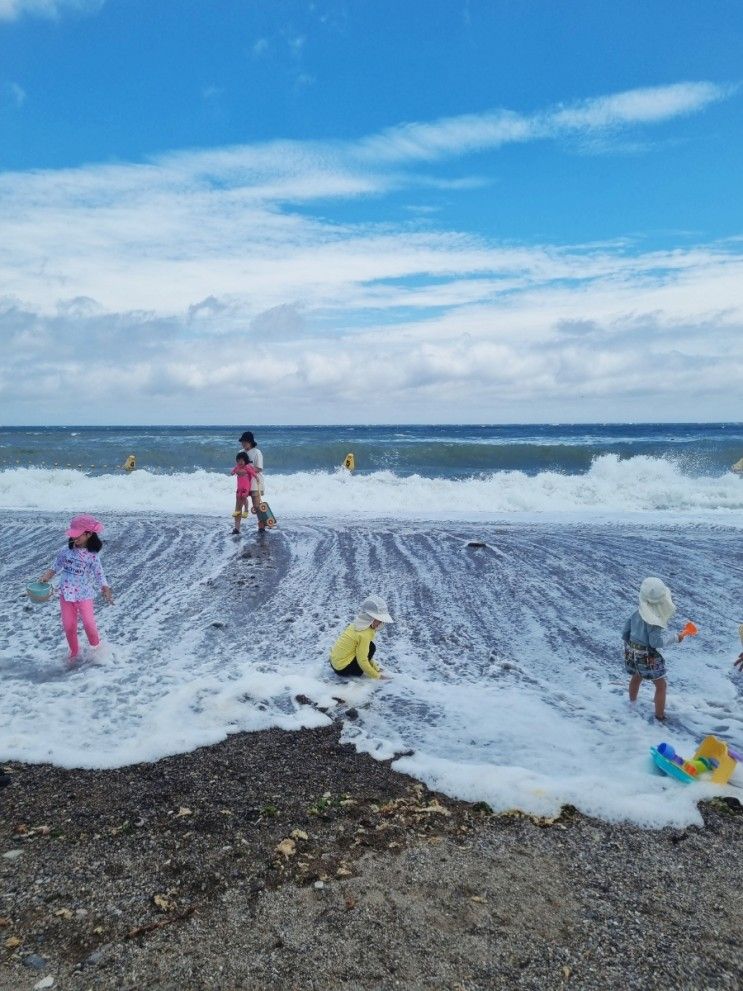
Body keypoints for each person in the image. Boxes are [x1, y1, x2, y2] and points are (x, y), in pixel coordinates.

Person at [38, 514, 113, 662]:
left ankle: (97, 652)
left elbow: (99, 574)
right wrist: (46, 577)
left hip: (84, 595)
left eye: (78, 535)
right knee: (69, 627)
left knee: (89, 625)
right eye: (73, 535)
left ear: (89, 534)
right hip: (66, 595)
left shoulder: (92, 556)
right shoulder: (65, 552)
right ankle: (74, 654)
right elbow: (55, 567)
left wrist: (105, 588)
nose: (74, 538)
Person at [621, 577, 696, 721]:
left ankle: (631, 704)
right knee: (661, 685)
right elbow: (655, 642)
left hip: (631, 651)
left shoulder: (635, 613)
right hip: (646, 656)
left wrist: (630, 648)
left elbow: (625, 632)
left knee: (636, 677)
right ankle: (660, 716)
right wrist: (676, 637)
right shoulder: (655, 623)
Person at [330, 596, 394, 679]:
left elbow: (363, 653)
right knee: (371, 647)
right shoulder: (364, 633)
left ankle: (371, 669)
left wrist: (376, 668)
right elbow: (362, 660)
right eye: (379, 619)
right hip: (343, 670)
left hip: (334, 664)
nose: (381, 622)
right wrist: (378, 676)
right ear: (371, 618)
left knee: (368, 646)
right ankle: (354, 676)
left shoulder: (357, 624)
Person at [239, 431, 266, 531]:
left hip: (255, 482)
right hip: (243, 482)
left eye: (245, 442)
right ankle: (237, 528)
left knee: (257, 505)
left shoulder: (257, 452)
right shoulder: (240, 453)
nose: (243, 443)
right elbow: (238, 467)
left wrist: (246, 470)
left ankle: (262, 525)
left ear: (250, 442)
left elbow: (259, 468)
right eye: (242, 442)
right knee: (240, 503)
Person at [230, 452, 258, 535]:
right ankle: (238, 512)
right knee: (238, 496)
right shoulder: (237, 467)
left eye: (242, 461)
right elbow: (233, 471)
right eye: (239, 461)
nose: (240, 462)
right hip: (239, 486)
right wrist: (232, 473)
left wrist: (256, 477)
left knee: (244, 497)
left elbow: (253, 473)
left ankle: (246, 510)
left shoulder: (247, 467)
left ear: (245, 461)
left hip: (246, 486)